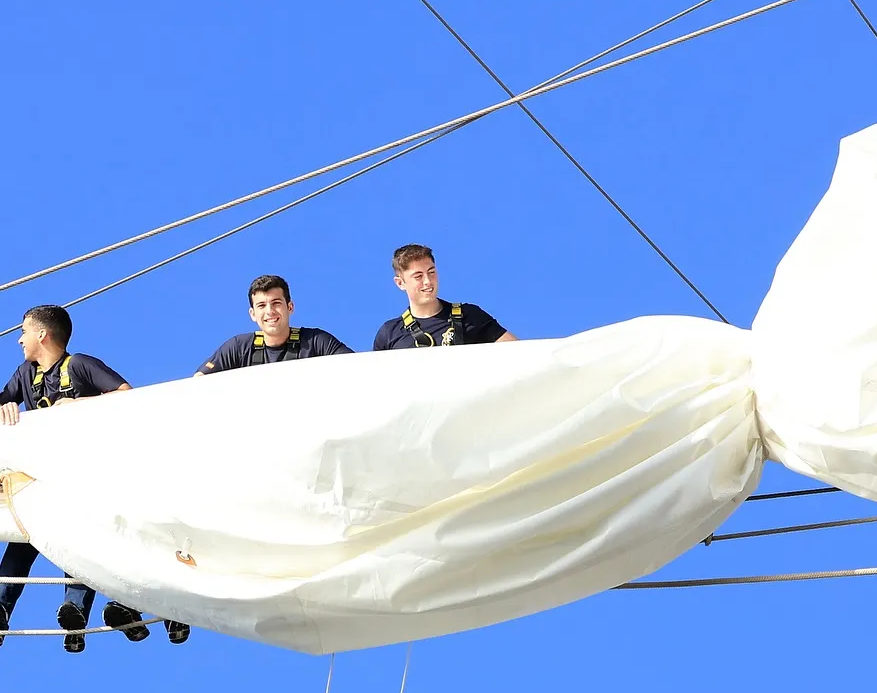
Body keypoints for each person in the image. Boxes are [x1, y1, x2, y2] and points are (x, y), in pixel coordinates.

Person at [0, 305, 163, 652]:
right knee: (23, 538)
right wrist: (5, 407)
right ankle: (1, 606)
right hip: (40, 479)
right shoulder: (25, 374)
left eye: (24, 331)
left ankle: (76, 607)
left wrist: (81, 404)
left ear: (42, 334)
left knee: (79, 538)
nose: (19, 338)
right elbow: (2, 402)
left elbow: (127, 395)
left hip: (83, 478)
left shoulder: (80, 366)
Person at [197, 275, 352, 374]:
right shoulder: (239, 348)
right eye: (261, 306)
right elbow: (198, 381)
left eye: (276, 303)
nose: (270, 311)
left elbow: (357, 368)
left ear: (290, 307)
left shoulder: (316, 341)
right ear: (252, 314)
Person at [373, 245, 516, 351]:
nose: (428, 281)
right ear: (400, 283)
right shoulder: (389, 333)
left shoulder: (470, 316)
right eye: (418, 276)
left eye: (431, 272)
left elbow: (518, 352)